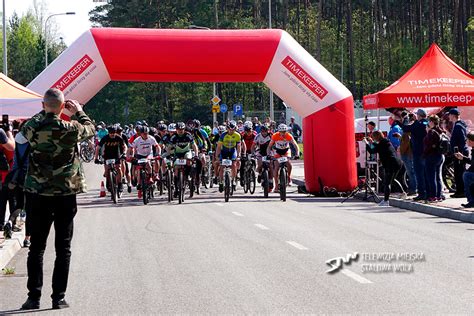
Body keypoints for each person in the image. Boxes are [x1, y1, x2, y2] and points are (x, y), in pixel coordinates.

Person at [20, 89, 95, 310]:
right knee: (63, 248)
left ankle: (33, 297)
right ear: (63, 107)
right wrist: (79, 111)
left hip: (39, 194)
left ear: (44, 105)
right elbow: (90, 130)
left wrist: (44, 111)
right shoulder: (71, 128)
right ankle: (58, 298)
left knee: (37, 247)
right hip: (65, 194)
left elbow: (22, 135)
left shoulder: (34, 126)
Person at [365, 130, 405, 206]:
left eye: (373, 137)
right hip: (397, 163)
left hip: (391, 164)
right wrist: (371, 142)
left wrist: (367, 144)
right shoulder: (386, 141)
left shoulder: (382, 144)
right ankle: (402, 193)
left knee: (387, 183)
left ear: (376, 137)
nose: (373, 139)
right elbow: (378, 146)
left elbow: (372, 151)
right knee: (392, 180)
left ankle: (386, 201)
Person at [402, 109, 428, 201]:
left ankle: (422, 193)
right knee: (426, 173)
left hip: (418, 152)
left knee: (419, 173)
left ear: (419, 115)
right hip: (426, 152)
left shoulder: (418, 124)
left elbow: (405, 128)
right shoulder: (427, 123)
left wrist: (405, 119)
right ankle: (427, 193)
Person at [267, 124, 300, 192]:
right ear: (279, 131)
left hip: (286, 151)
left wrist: (297, 154)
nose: (283, 133)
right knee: (276, 167)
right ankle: (276, 185)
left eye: (284, 131)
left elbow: (295, 145)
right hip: (277, 151)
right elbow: (269, 146)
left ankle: (289, 177)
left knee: (288, 163)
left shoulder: (288, 135)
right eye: (281, 132)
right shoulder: (275, 135)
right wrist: (268, 154)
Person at [94, 125, 126, 193]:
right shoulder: (105, 138)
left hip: (116, 155)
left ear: (115, 132)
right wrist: (96, 158)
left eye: (113, 132)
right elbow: (98, 148)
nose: (112, 134)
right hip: (107, 156)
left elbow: (124, 147)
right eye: (111, 133)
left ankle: (120, 184)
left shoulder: (118, 138)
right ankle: (108, 183)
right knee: (107, 171)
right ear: (108, 132)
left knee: (118, 168)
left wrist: (124, 154)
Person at [423, 115, 445, 202]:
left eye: (429, 121)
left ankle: (433, 196)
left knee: (431, 177)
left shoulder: (431, 132)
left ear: (432, 122)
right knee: (438, 177)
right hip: (439, 156)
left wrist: (424, 154)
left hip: (431, 156)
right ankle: (438, 195)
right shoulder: (440, 130)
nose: (428, 123)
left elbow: (429, 145)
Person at [215, 121, 242, 192]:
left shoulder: (237, 135)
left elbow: (239, 146)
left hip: (232, 151)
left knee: (234, 164)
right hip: (224, 151)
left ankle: (233, 180)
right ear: (227, 129)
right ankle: (221, 182)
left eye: (233, 130)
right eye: (230, 130)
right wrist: (217, 156)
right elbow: (218, 147)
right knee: (222, 166)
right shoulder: (223, 135)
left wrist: (239, 155)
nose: (231, 131)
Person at [448, 108, 468, 198]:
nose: (448, 116)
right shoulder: (458, 125)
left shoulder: (458, 126)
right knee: (458, 172)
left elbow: (462, 139)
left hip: (460, 152)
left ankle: (461, 191)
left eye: (449, 115)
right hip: (459, 152)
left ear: (453, 115)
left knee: (459, 173)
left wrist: (457, 151)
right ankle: (460, 190)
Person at [0, 119, 15, 232]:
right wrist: (9, 132)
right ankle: (9, 223)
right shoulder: (0, 132)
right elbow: (11, 147)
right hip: (4, 175)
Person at [454, 132, 474, 207]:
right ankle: (472, 200)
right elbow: (472, 162)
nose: (466, 141)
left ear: (472, 141)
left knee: (467, 176)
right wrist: (463, 158)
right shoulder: (473, 149)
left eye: (468, 139)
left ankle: (471, 201)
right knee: (467, 175)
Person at [399, 112, 417, 195]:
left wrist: (401, 152)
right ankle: (413, 188)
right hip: (411, 152)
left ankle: (413, 189)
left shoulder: (407, 129)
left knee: (411, 172)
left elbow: (406, 142)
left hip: (407, 153)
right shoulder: (412, 128)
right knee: (412, 171)